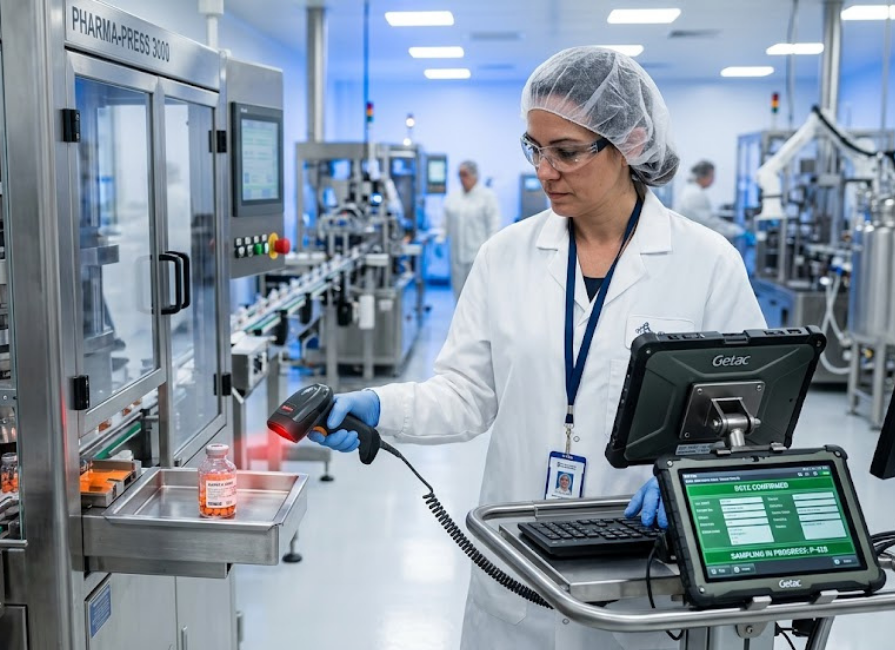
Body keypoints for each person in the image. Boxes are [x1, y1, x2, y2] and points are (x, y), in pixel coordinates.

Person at [309, 46, 765, 649]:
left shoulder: (707, 264)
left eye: (567, 152)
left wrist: (695, 472)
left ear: (629, 141)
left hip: (644, 574)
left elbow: (751, 415)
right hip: (518, 555)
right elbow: (467, 393)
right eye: (535, 148)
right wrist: (379, 405)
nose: (544, 170)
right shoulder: (508, 256)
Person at [442, 161, 501, 298]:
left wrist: (490, 251)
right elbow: (445, 222)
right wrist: (441, 238)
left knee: (477, 297)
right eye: (459, 175)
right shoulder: (453, 197)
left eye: (465, 175)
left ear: (475, 176)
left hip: (478, 256)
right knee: (459, 295)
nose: (462, 179)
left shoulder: (487, 197)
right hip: (457, 256)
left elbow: (494, 225)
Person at [675, 160, 745, 239]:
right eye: (712, 176)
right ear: (702, 176)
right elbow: (711, 224)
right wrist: (737, 231)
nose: (713, 180)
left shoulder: (691, 190)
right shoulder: (695, 194)